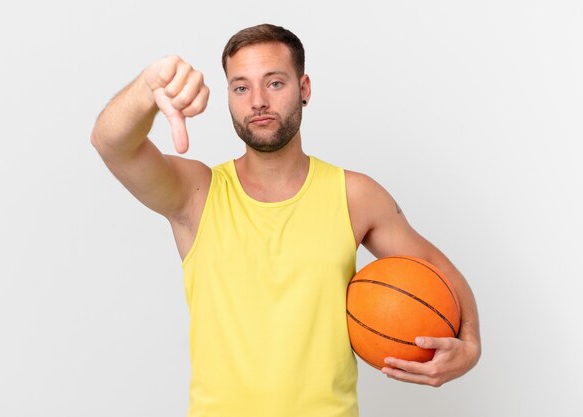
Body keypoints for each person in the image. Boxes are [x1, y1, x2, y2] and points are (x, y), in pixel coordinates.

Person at [91, 23, 480, 417]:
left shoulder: (354, 195)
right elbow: (112, 145)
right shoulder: (196, 194)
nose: (258, 100)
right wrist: (147, 88)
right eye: (241, 87)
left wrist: (470, 344)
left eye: (274, 83)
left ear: (304, 89)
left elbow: (431, 266)